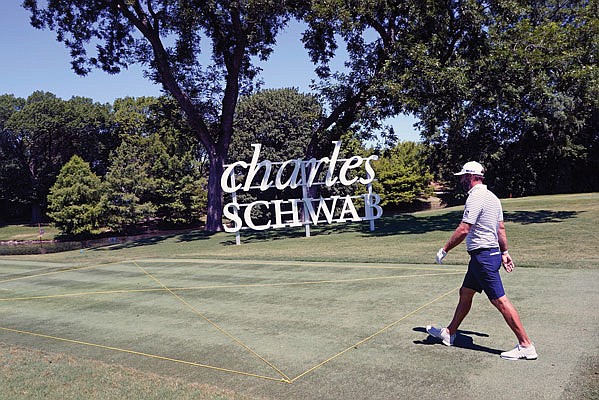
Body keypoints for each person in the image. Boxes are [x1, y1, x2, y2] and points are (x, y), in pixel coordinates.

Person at [426, 161, 537, 360]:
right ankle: (450, 333)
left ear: (471, 176)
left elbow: (464, 229)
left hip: (483, 257)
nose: (461, 179)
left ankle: (526, 344)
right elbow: (500, 228)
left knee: (500, 301)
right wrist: (505, 252)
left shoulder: (476, 197)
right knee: (466, 292)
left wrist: (445, 249)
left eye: (463, 176)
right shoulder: (492, 197)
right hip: (486, 255)